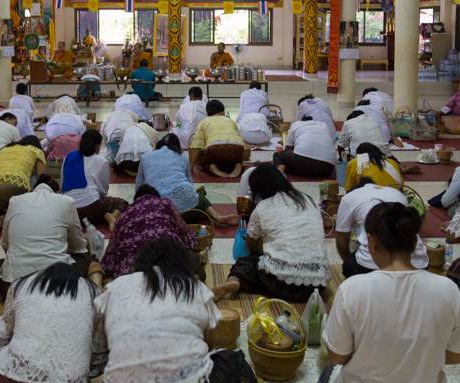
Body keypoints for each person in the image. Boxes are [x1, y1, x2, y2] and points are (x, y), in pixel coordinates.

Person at [95, 238, 301, 383]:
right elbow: (209, 345)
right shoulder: (190, 285)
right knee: (233, 360)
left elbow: (103, 352)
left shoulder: (116, 288)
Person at [312, 202, 460, 383]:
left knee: (324, 379)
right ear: (414, 243)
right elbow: (453, 355)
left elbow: (337, 356)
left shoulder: (353, 289)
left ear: (372, 242)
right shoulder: (448, 290)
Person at [212, 164, 328, 302]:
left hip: (279, 283)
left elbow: (251, 246)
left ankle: (235, 280)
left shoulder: (262, 207)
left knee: (245, 263)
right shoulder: (307, 200)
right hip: (317, 286)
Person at [0, 174, 103, 296]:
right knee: (87, 257)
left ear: (32, 190)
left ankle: (14, 295)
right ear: (57, 192)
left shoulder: (15, 201)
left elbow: (6, 245)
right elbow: (78, 247)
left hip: (17, 286)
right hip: (57, 284)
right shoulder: (66, 201)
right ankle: (97, 291)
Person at [137, 134, 239, 225]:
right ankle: (217, 216)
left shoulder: (145, 157)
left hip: (158, 214)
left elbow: (139, 187)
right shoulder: (182, 156)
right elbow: (190, 183)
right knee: (200, 197)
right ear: (176, 147)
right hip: (187, 213)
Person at [335, 178, 428, 278]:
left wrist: (347, 260)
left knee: (349, 266)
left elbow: (341, 242)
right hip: (419, 263)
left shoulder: (350, 197)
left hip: (368, 267)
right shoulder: (396, 193)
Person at [101, 185, 196, 277]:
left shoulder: (124, 215)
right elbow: (185, 233)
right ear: (156, 197)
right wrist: (191, 243)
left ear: (136, 200)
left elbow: (110, 253)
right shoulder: (166, 203)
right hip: (169, 263)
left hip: (132, 271)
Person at [62, 130, 128, 228]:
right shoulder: (101, 161)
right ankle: (111, 217)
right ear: (97, 146)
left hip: (68, 210)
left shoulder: (67, 157)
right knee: (123, 203)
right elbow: (103, 190)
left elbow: (62, 183)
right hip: (91, 207)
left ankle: (98, 217)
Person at [0, 136, 46, 230]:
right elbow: (43, 178)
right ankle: (17, 214)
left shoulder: (5, 149)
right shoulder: (37, 151)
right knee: (33, 179)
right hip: (16, 185)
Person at [190, 99, 246, 178]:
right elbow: (241, 142)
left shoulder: (203, 122)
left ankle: (212, 167)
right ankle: (238, 165)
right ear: (223, 112)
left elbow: (196, 146)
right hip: (237, 148)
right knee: (234, 157)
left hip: (215, 149)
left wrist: (191, 167)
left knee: (202, 159)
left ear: (207, 113)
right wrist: (241, 159)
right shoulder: (231, 121)